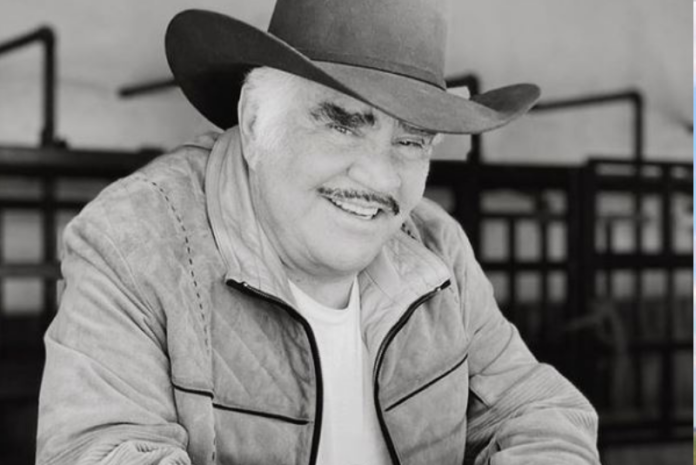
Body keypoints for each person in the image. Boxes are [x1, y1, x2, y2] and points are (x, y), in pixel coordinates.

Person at [36, 0, 600, 464]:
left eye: (410, 141)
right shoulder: (133, 242)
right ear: (255, 122)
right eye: (342, 125)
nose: (380, 178)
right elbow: (99, 451)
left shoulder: (435, 248)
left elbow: (538, 411)